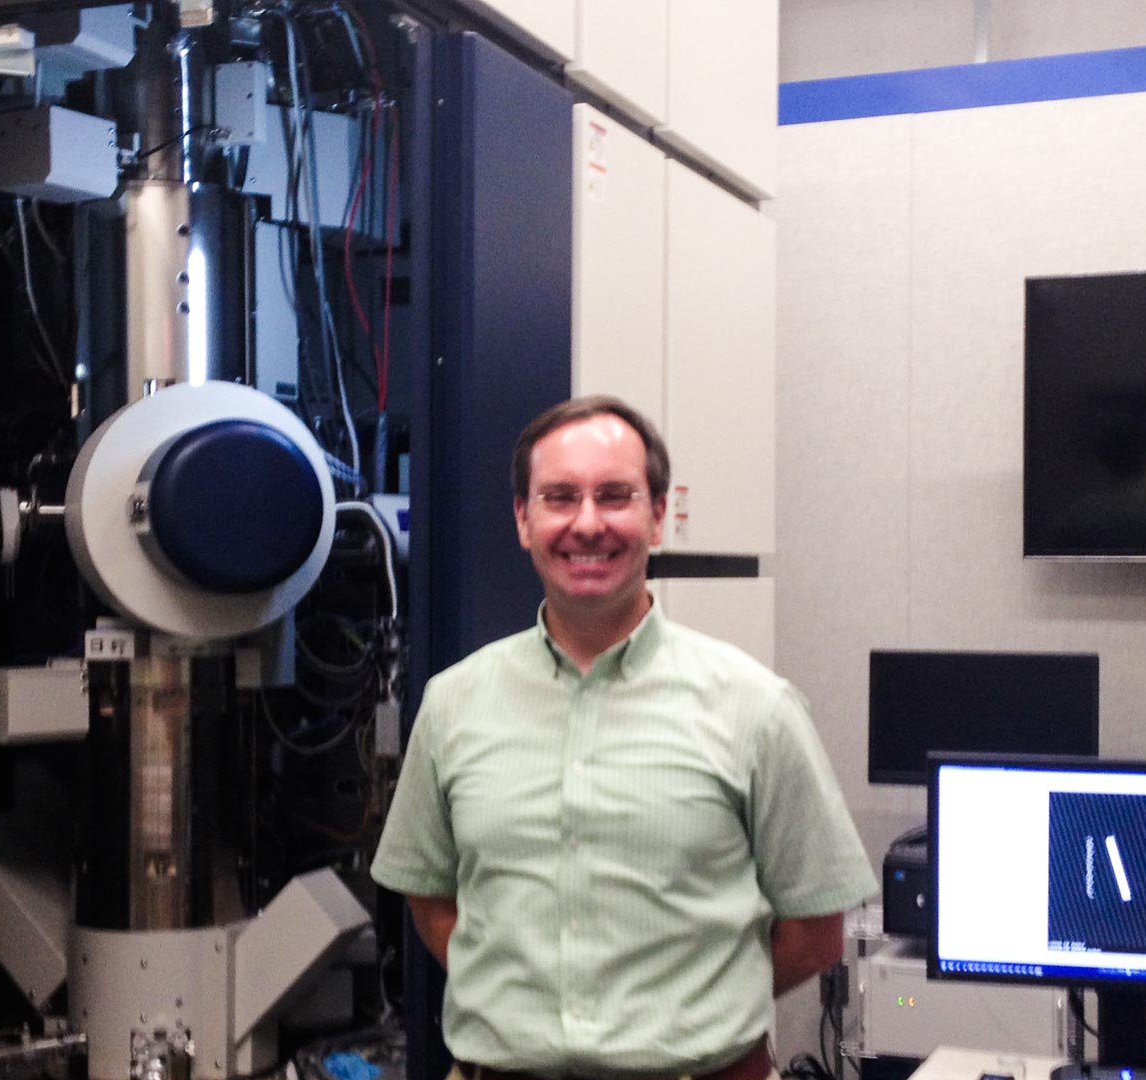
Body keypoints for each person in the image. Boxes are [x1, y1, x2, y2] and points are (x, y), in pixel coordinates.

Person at [371, 395, 876, 1080]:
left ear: (659, 515)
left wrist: (690, 1014)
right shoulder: (455, 704)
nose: (587, 523)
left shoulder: (756, 709)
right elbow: (427, 894)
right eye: (559, 498)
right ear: (524, 519)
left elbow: (816, 932)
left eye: (615, 496)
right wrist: (519, 1002)